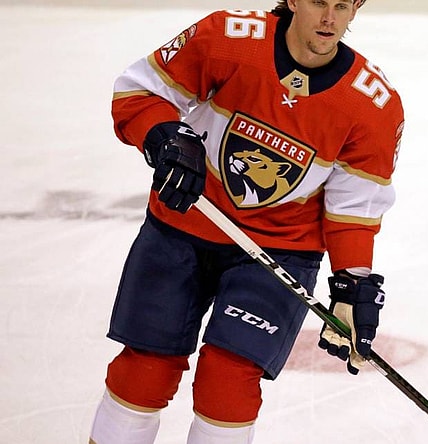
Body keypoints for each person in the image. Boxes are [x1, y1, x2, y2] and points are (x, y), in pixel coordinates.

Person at [88, 0, 404, 442]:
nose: (329, 18)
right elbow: (139, 94)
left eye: (342, 5)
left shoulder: (372, 104)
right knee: (142, 372)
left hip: (279, 251)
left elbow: (354, 209)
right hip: (185, 223)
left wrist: (353, 283)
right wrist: (165, 135)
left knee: (228, 383)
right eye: (318, 1)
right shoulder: (227, 38)